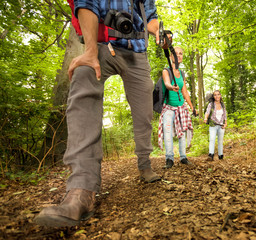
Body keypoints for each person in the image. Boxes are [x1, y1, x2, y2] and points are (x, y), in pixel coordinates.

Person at [34, 0, 165, 227]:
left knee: (144, 112)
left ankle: (145, 164)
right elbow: (86, 4)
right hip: (102, 46)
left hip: (137, 53)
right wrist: (90, 51)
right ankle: (82, 189)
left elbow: (150, 17)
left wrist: (159, 32)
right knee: (84, 75)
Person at [158, 47, 197, 169]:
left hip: (181, 107)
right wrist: (171, 87)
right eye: (176, 53)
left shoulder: (182, 73)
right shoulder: (166, 71)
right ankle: (169, 159)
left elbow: (184, 91)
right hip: (169, 108)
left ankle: (183, 157)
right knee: (168, 132)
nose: (178, 56)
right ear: (170, 56)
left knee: (183, 132)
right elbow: (166, 84)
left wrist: (192, 107)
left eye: (181, 54)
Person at [204, 90, 227, 160]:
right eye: (215, 95)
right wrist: (205, 118)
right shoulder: (211, 104)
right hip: (213, 125)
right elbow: (207, 112)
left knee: (220, 141)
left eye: (218, 94)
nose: (217, 96)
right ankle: (211, 155)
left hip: (221, 125)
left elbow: (225, 114)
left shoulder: (222, 104)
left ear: (220, 95)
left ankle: (220, 155)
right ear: (213, 96)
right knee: (212, 139)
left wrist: (226, 123)